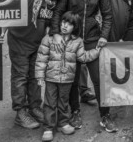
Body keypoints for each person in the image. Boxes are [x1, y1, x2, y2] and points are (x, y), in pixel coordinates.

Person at [0, 0, 70, 129]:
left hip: (37, 43)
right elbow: (9, 9)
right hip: (19, 41)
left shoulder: (59, 0)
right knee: (20, 77)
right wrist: (0, 31)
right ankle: (20, 112)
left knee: (35, 77)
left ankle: (34, 107)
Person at [49, 0, 117, 132]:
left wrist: (103, 36)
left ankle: (105, 115)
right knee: (72, 80)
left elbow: (108, 15)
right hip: (72, 39)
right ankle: (75, 111)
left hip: (93, 39)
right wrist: (56, 34)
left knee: (100, 79)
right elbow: (58, 12)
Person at [35, 11, 101, 142]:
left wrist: (96, 51)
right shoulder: (48, 39)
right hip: (51, 78)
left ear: (75, 28)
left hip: (67, 79)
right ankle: (48, 128)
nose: (65, 26)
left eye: (69, 24)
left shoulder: (78, 42)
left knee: (63, 102)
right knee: (49, 103)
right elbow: (41, 58)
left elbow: (83, 57)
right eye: (63, 22)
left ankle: (63, 123)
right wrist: (39, 76)